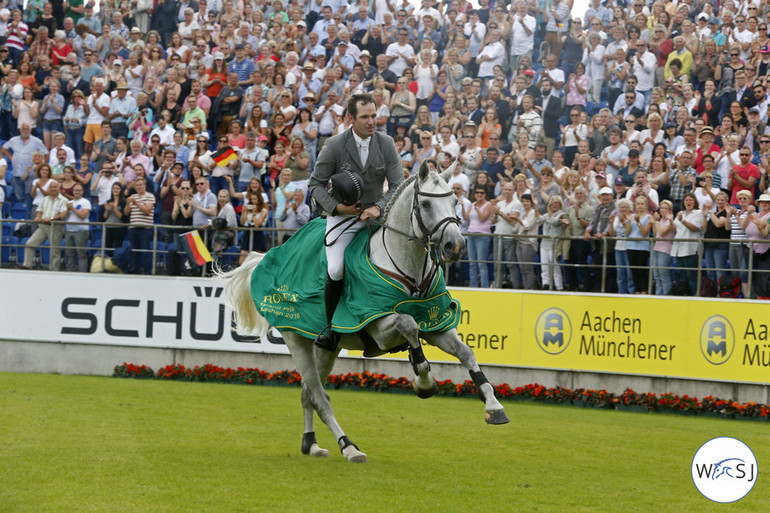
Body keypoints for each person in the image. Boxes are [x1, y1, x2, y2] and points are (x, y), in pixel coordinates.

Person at [308, 92, 404, 352]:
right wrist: (338, 207)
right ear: (351, 118)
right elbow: (315, 184)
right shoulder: (335, 145)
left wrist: (378, 207)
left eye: (374, 115)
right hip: (342, 219)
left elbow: (397, 185)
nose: (372, 121)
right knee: (337, 268)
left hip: (376, 218)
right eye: (365, 117)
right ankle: (329, 329)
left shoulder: (386, 143)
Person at [22, 180, 68, 270]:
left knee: (55, 250)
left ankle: (53, 270)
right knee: (29, 243)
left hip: (55, 226)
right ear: (49, 189)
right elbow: (39, 210)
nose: (53, 189)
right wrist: (38, 216)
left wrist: (51, 218)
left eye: (55, 187)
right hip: (43, 226)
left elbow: (63, 214)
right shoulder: (45, 199)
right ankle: (27, 266)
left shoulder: (64, 200)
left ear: (59, 188)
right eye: (52, 187)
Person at [124, 176, 156, 274]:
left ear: (145, 185)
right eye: (137, 185)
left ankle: (147, 272)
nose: (139, 187)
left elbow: (147, 211)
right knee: (134, 252)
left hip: (145, 229)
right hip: (133, 228)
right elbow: (126, 213)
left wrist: (136, 203)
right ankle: (135, 271)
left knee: (145, 252)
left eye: (141, 185)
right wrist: (127, 204)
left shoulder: (150, 196)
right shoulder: (133, 196)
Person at [63, 182, 91, 272]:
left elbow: (83, 216)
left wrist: (72, 209)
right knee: (69, 253)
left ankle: (82, 272)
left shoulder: (85, 202)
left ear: (82, 191)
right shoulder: (69, 202)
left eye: (78, 190)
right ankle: (70, 271)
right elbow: (64, 217)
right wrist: (67, 209)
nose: (76, 192)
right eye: (75, 190)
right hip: (69, 230)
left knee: (81, 253)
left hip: (81, 230)